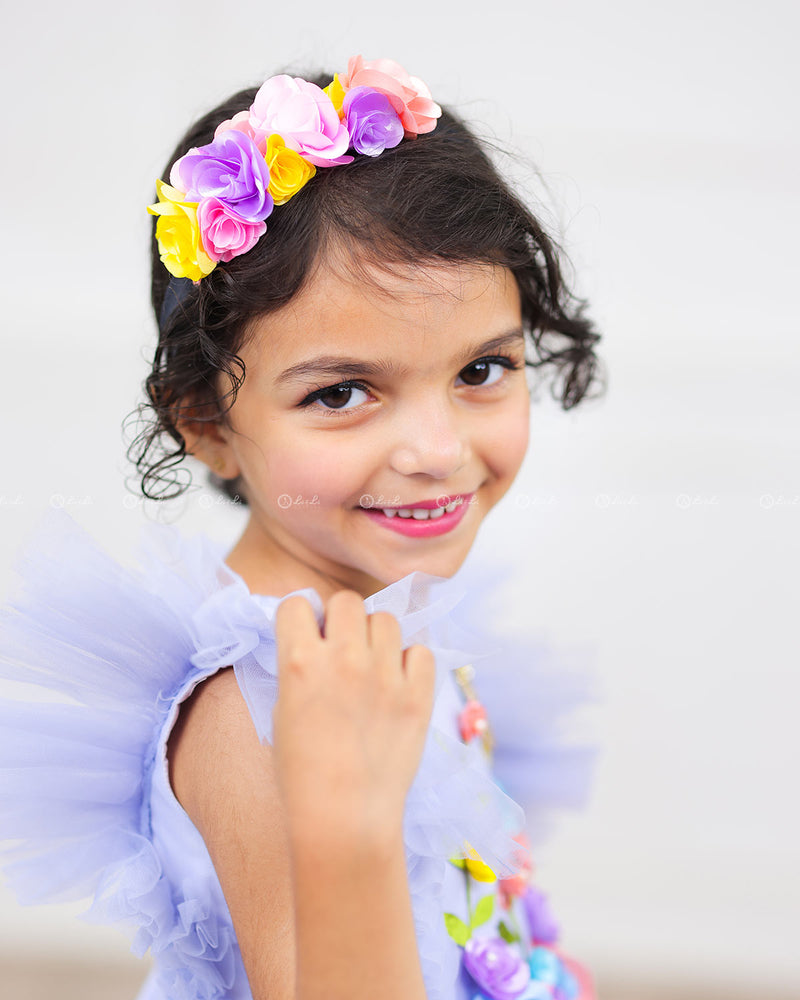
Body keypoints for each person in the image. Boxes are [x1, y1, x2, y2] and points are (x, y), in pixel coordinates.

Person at [0, 56, 601, 1000]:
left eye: (481, 370)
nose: (437, 449)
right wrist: (345, 825)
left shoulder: (382, 617)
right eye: (343, 392)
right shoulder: (247, 714)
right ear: (207, 425)